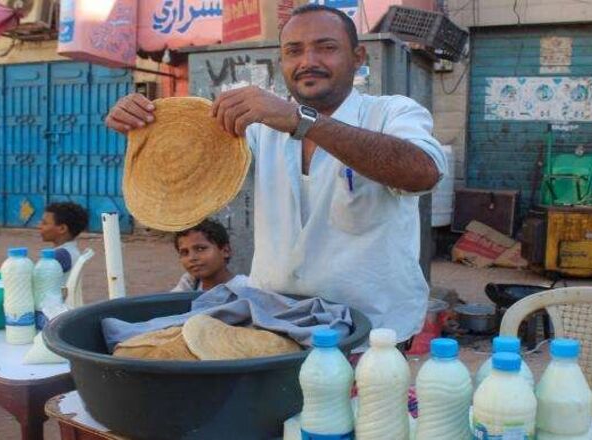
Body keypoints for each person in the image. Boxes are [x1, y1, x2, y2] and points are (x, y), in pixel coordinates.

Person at [105, 5, 447, 346]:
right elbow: (190, 171)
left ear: (358, 57)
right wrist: (146, 125)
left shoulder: (391, 111)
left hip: (370, 331)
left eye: (326, 48)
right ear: (281, 61)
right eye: (293, 51)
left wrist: (303, 121)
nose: (307, 61)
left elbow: (423, 173)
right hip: (276, 323)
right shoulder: (260, 128)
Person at [171, 219, 249, 292]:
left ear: (225, 251)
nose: (191, 258)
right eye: (185, 253)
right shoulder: (189, 285)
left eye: (200, 249)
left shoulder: (246, 288)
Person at [38, 202, 88, 283]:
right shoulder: (71, 250)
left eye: (44, 223)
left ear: (62, 229)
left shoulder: (60, 255)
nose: (39, 226)